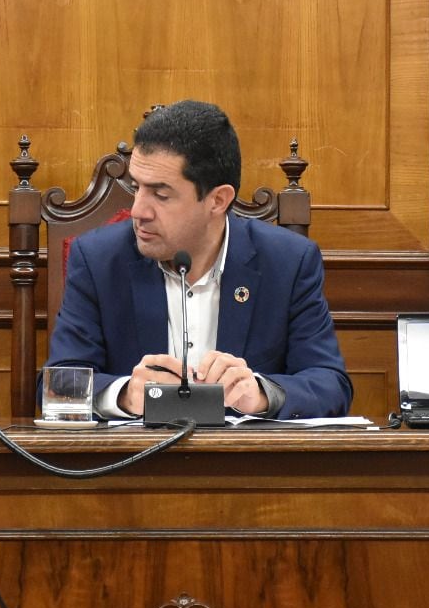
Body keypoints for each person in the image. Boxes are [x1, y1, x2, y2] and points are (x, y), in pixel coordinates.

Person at [47, 100, 352, 419]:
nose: (138, 210)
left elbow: (329, 384)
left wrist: (261, 394)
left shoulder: (287, 262)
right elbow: (59, 386)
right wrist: (124, 394)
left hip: (245, 465)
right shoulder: (99, 259)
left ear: (218, 200)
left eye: (161, 195)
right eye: (137, 188)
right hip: (131, 465)